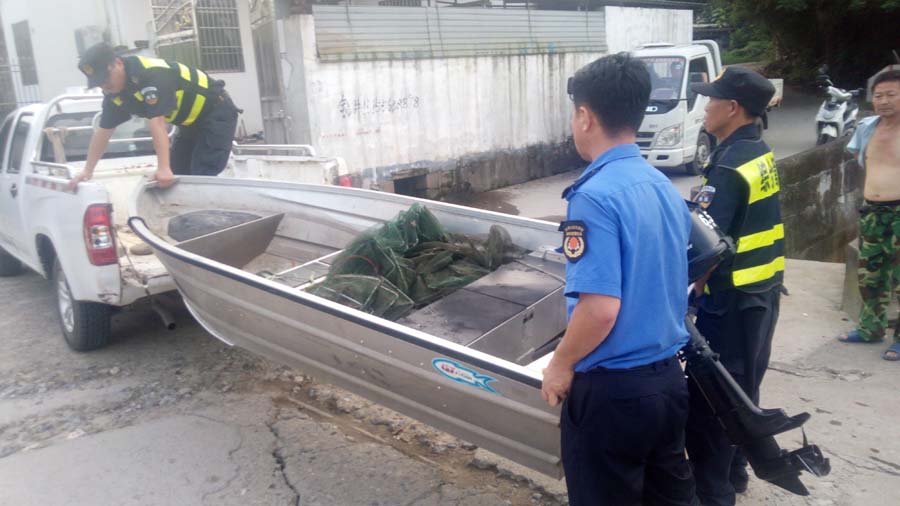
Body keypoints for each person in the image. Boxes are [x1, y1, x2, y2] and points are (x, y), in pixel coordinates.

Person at [540, 52, 697, 506]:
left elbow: (600, 309)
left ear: (585, 116)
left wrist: (560, 365)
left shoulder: (594, 197)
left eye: (575, 114)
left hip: (614, 395)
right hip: (668, 381)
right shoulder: (662, 186)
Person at [686, 67, 783, 505]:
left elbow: (708, 247)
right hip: (763, 292)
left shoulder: (727, 165)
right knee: (744, 386)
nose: (705, 108)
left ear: (732, 108)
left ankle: (714, 493)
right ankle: (736, 470)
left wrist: (691, 291)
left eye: (711, 100)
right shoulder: (757, 151)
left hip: (731, 299)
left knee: (714, 399)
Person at [69, 43, 240, 190]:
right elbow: (104, 131)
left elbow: (157, 122)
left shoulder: (151, 74)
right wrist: (88, 170)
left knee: (201, 177)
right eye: (99, 82)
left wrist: (163, 168)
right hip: (189, 124)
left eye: (106, 78)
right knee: (178, 174)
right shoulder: (114, 93)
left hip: (216, 113)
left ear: (118, 63)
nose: (104, 86)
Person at [838, 70, 900, 362]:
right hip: (873, 211)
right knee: (870, 275)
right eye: (878, 96)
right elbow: (859, 157)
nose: (884, 101)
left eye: (891, 95)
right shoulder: (867, 128)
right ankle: (870, 329)